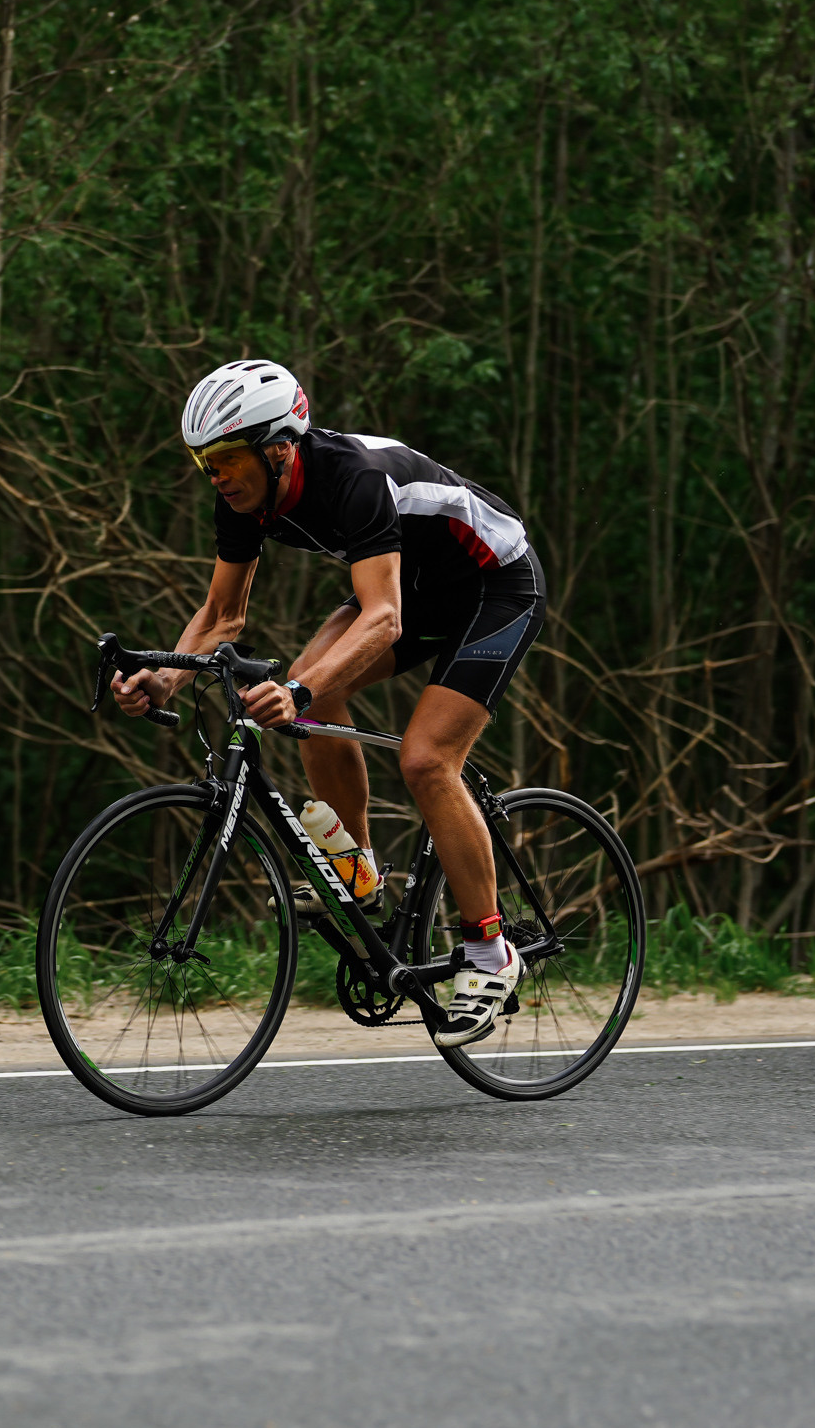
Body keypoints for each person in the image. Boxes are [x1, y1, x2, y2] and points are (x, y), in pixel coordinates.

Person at [111, 359, 546, 1048]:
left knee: (426, 759)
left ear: (280, 448)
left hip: (496, 588)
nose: (215, 476)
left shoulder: (354, 480)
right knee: (313, 695)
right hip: (417, 585)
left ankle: (492, 953)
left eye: (226, 458)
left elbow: (383, 620)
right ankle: (359, 868)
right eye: (203, 462)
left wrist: (301, 690)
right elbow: (223, 614)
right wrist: (166, 676)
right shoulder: (243, 500)